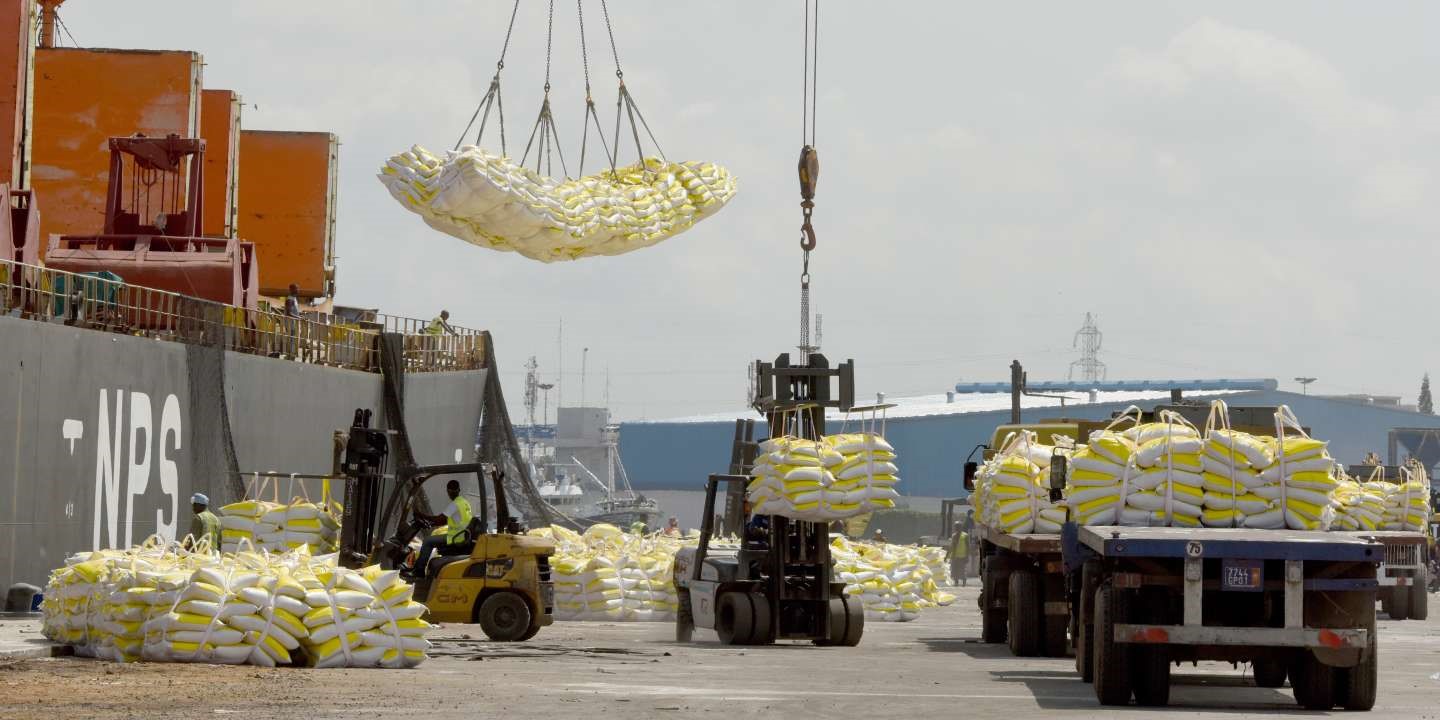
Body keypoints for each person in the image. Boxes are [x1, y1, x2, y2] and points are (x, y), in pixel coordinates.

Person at [410, 479, 473, 578]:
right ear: (459, 490)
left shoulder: (455, 504)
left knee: (427, 541)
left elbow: (439, 519)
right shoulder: (465, 503)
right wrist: (431, 523)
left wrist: (420, 514)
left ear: (448, 492)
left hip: (455, 538)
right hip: (463, 535)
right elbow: (446, 520)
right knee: (431, 539)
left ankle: (418, 571)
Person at [948, 521, 970, 587]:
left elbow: (968, 546)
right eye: (956, 527)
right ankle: (956, 582)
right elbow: (952, 546)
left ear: (961, 527)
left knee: (962, 570)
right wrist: (947, 556)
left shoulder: (965, 535)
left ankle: (964, 582)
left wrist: (967, 556)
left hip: (963, 556)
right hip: (955, 556)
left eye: (958, 526)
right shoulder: (954, 536)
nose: (957, 528)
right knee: (955, 570)